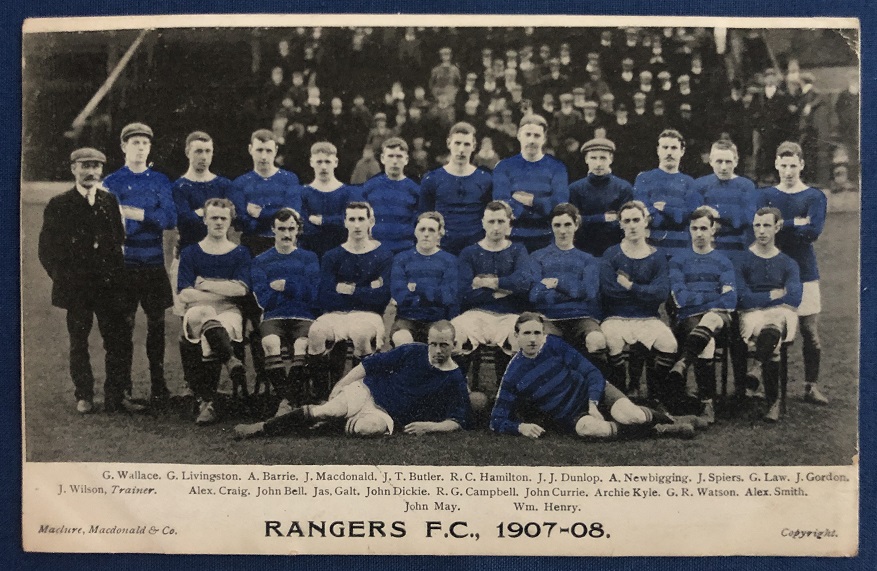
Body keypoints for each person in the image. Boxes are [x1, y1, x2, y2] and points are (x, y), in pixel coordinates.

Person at [234, 321, 471, 439]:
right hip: (367, 392)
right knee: (327, 410)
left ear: (454, 345)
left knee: (369, 429)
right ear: (428, 341)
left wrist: (429, 426)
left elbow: (456, 420)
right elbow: (369, 364)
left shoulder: (454, 377)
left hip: (386, 416)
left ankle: (325, 422)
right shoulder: (412, 351)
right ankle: (263, 428)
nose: (437, 350)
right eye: (433, 344)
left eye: (443, 345)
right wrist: (341, 384)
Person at [38, 148, 139, 414]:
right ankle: (84, 395)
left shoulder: (109, 200)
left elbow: (118, 240)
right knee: (79, 342)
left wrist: (116, 280)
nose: (91, 172)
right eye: (85, 166)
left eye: (95, 166)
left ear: (101, 170)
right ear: (73, 168)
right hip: (77, 289)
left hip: (108, 286)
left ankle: (115, 396)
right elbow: (46, 250)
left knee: (116, 341)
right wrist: (64, 278)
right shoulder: (59, 204)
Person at [490, 313, 695, 439]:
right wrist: (521, 427)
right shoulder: (513, 374)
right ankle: (661, 430)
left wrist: (593, 403)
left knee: (632, 416)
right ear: (516, 336)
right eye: (526, 333)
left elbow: (592, 372)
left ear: (544, 334)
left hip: (595, 392)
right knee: (591, 430)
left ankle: (671, 420)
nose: (533, 339)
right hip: (571, 415)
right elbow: (496, 420)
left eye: (537, 333)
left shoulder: (554, 345)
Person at [102, 122, 176, 404]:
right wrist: (145, 219)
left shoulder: (159, 180)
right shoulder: (112, 182)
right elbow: (112, 225)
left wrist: (137, 214)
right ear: (124, 146)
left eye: (145, 143)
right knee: (124, 327)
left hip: (153, 263)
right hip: (125, 266)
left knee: (157, 325)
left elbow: (169, 219)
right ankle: (124, 388)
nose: (141, 148)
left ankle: (159, 386)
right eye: (135, 143)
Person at [758, 141, 828, 405]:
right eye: (783, 165)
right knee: (769, 329)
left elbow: (813, 232)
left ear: (802, 165)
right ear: (776, 164)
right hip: (772, 270)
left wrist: (778, 226)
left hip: (804, 270)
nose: (788, 171)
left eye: (793, 166)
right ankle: (765, 386)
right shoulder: (766, 195)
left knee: (809, 331)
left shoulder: (814, 196)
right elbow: (761, 229)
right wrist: (795, 222)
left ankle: (811, 386)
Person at [307, 202, 394, 400]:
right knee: (316, 331)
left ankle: (358, 395)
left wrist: (349, 290)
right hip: (335, 314)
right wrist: (367, 289)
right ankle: (323, 397)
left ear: (371, 221)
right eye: (352, 219)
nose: (356, 225)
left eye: (361, 219)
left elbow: (381, 298)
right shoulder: (332, 256)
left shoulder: (383, 256)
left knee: (360, 333)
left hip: (369, 315)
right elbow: (325, 297)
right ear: (345, 222)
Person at [177, 199, 252, 425]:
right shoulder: (190, 252)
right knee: (203, 314)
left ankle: (208, 401)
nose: (219, 222)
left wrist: (205, 284)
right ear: (205, 220)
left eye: (223, 218)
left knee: (210, 333)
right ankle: (230, 360)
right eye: (214, 218)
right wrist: (223, 289)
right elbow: (185, 294)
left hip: (229, 312)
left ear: (230, 221)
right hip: (197, 311)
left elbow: (240, 290)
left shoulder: (240, 253)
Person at [599, 201, 678, 407]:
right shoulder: (611, 254)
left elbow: (660, 293)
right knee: (612, 339)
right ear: (620, 225)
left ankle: (655, 394)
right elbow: (609, 292)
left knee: (669, 343)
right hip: (616, 316)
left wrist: (630, 286)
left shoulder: (657, 256)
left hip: (648, 317)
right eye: (627, 221)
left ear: (645, 222)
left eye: (636, 220)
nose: (632, 225)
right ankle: (621, 393)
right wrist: (644, 292)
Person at [667, 206, 738, 422]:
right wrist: (711, 298)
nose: (699, 233)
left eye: (704, 228)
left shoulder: (723, 261)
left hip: (719, 321)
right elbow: (681, 298)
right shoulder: (678, 260)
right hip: (688, 319)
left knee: (712, 319)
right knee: (707, 339)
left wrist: (698, 299)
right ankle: (708, 402)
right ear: (689, 230)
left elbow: (730, 300)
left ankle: (684, 362)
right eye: (695, 228)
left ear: (713, 230)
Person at [452, 201, 532, 386]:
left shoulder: (518, 250)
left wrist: (489, 283)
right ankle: (461, 390)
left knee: (520, 337)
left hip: (509, 315)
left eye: (501, 221)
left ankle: (508, 393)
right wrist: (502, 291)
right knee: (454, 333)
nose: (496, 227)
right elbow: (463, 293)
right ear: (483, 223)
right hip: (475, 314)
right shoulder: (469, 253)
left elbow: (523, 284)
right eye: (491, 221)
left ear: (509, 223)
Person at [735, 207, 803, 422]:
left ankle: (757, 368)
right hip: (752, 314)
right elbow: (742, 298)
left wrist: (760, 297)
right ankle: (773, 401)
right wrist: (773, 294)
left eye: (767, 225)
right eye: (757, 225)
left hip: (783, 313)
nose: (762, 231)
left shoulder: (788, 263)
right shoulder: (742, 260)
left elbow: (794, 298)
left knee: (777, 320)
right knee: (772, 340)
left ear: (777, 227)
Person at [251, 208, 320, 415]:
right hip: (274, 317)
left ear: (298, 229)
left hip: (303, 316)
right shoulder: (261, 261)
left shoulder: (309, 258)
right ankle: (288, 399)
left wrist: (286, 286)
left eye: (291, 229)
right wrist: (298, 289)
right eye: (281, 229)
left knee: (302, 344)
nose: (286, 234)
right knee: (270, 343)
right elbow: (264, 299)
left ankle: (287, 401)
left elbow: (313, 294)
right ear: (273, 229)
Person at [529, 203, 606, 367]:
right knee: (545, 345)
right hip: (549, 318)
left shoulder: (588, 259)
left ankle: (596, 381)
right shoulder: (537, 257)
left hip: (581, 318)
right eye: (557, 225)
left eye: (567, 225)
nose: (562, 231)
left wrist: (557, 284)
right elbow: (535, 295)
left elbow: (590, 292)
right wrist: (574, 292)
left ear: (576, 225)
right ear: (551, 227)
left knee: (597, 340)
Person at [171, 131, 237, 318]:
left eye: (208, 151)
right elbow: (184, 219)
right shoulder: (179, 187)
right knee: (190, 317)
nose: (204, 157)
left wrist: (199, 213)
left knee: (222, 313)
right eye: (198, 151)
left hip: (220, 258)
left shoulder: (223, 185)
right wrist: (215, 212)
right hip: (188, 258)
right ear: (187, 152)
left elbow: (232, 215)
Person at [493, 114, 569, 253]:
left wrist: (532, 201)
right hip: (513, 238)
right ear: (519, 135)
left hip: (547, 238)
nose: (532, 140)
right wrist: (541, 208)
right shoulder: (504, 167)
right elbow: (501, 202)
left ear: (544, 139)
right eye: (527, 134)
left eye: (537, 136)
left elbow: (559, 204)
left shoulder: (557, 168)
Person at [418, 122, 493, 255]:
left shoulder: (485, 179)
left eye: (467, 144)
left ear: (474, 146)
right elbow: (424, 217)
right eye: (457, 143)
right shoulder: (432, 179)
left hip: (476, 250)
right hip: (442, 250)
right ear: (449, 143)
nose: (461, 149)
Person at [390, 212, 459, 346]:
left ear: (439, 233)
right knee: (401, 338)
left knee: (441, 340)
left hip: (437, 320)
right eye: (422, 229)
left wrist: (416, 289)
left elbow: (448, 297)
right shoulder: (401, 259)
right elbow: (399, 295)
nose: (426, 234)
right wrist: (432, 294)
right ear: (415, 232)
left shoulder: (450, 261)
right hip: (407, 319)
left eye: (431, 230)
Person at [632, 129, 702, 259]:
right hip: (650, 246)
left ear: (682, 151)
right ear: (658, 150)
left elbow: (690, 214)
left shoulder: (689, 182)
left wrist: (665, 209)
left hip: (681, 249)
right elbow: (642, 211)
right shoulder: (644, 179)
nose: (669, 152)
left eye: (674, 148)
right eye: (665, 147)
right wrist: (671, 215)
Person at [232, 129, 302, 257]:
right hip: (251, 246)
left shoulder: (289, 179)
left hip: (283, 245)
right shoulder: (240, 183)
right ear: (250, 149)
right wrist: (277, 214)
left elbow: (292, 215)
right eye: (259, 150)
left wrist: (260, 214)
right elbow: (244, 222)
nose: (264, 156)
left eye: (268, 151)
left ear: (276, 150)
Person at [693, 140, 758, 263]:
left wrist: (717, 214)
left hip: (737, 248)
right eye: (719, 161)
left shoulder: (746, 186)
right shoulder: (700, 185)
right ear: (711, 161)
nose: (723, 167)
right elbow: (695, 215)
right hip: (707, 247)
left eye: (728, 162)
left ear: (736, 161)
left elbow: (748, 217)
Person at [567, 137, 634, 257]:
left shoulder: (624, 188)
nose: (598, 164)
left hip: (615, 250)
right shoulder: (574, 189)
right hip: (583, 250)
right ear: (586, 159)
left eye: (603, 158)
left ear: (611, 159)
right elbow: (573, 222)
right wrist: (603, 218)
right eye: (593, 158)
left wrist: (587, 220)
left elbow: (625, 223)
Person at [299, 142, 361, 258]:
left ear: (335, 162)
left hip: (341, 253)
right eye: (319, 162)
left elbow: (348, 222)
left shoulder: (347, 192)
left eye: (327, 162)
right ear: (311, 162)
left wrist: (324, 221)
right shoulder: (304, 193)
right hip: (311, 253)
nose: (323, 167)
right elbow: (304, 226)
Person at [360, 137, 421, 254]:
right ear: (382, 158)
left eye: (399, 156)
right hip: (374, 251)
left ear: (406, 159)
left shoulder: (414, 190)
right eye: (390, 156)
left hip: (404, 251)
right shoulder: (370, 187)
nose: (394, 161)